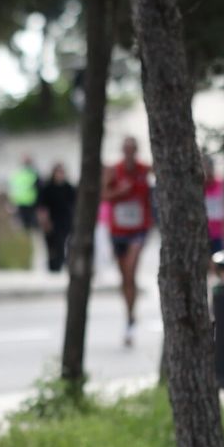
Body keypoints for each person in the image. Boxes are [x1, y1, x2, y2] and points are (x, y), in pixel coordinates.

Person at [102, 136, 153, 347]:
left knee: (131, 271)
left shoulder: (144, 170)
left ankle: (130, 317)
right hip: (118, 231)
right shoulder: (114, 170)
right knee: (125, 279)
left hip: (138, 231)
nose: (130, 153)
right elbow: (103, 195)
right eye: (126, 149)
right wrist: (119, 191)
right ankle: (129, 314)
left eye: (133, 149)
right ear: (122, 151)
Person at [35, 162, 75, 273]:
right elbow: (41, 206)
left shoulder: (69, 188)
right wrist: (44, 221)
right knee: (53, 244)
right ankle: (54, 266)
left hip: (66, 220)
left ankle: (64, 263)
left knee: (64, 243)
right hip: (52, 220)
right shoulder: (47, 188)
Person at [9, 155, 41, 231]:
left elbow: (12, 189)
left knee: (27, 226)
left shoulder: (17, 174)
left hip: (24, 203)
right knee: (31, 226)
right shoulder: (33, 174)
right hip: (29, 203)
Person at [204, 155, 224, 257]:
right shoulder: (199, 186)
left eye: (210, 167)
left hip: (218, 233)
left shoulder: (221, 184)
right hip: (203, 232)